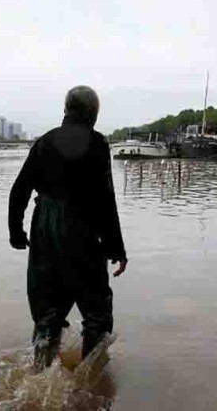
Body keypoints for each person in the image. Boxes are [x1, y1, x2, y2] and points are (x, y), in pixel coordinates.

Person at [8, 85, 128, 370]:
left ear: (66, 109)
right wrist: (116, 248)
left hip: (45, 229)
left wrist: (16, 232)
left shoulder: (44, 142)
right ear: (93, 113)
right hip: (82, 230)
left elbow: (19, 190)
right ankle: (92, 382)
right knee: (96, 312)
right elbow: (105, 201)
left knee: (47, 313)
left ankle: (39, 376)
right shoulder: (97, 144)